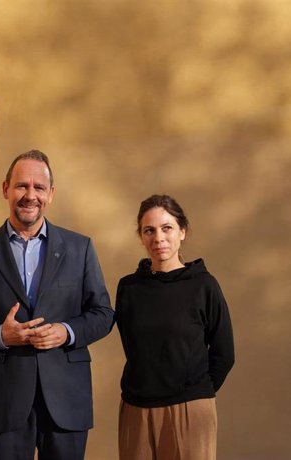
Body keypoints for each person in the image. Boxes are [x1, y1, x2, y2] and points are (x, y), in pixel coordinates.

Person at [0, 150, 114, 460]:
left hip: (66, 402)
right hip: (3, 402)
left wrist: (66, 332)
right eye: (21, 186)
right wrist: (1, 336)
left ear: (50, 194)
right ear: (5, 189)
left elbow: (103, 314)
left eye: (39, 188)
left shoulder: (80, 248)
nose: (30, 195)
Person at [115, 194, 235, 460]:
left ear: (182, 231)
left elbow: (224, 353)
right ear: (142, 236)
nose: (158, 238)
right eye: (149, 230)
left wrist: (194, 392)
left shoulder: (204, 286)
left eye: (167, 228)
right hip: (136, 408)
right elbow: (134, 348)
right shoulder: (129, 288)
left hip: (189, 409)